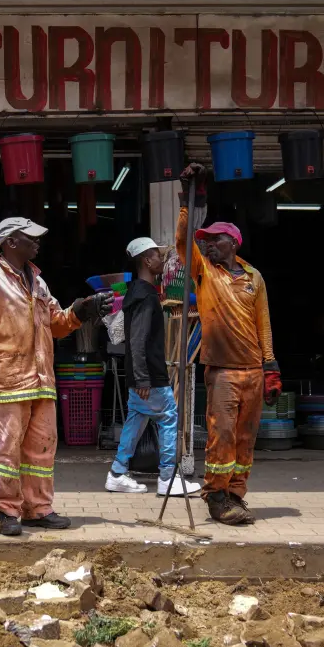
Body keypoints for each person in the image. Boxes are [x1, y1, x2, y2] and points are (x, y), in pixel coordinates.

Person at [0, 217, 111, 536]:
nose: (37, 242)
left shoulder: (39, 283)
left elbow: (56, 324)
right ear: (11, 242)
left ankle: (37, 509)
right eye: (31, 238)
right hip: (9, 380)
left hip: (42, 382)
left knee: (42, 450)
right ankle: (6, 511)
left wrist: (81, 310)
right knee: (8, 451)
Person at [175, 164, 281, 526]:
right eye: (205, 240)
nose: (207, 244)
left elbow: (264, 325)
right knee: (221, 435)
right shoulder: (205, 272)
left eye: (214, 239)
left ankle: (235, 494)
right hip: (221, 372)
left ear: (233, 243)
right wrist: (189, 200)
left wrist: (271, 367)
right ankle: (216, 497)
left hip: (253, 371)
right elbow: (182, 242)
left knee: (245, 438)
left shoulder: (254, 278)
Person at [104, 237, 201, 497]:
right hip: (149, 375)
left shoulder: (137, 292)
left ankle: (117, 473)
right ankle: (168, 478)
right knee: (169, 418)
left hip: (141, 374)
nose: (162, 259)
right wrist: (142, 378)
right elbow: (137, 340)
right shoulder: (145, 296)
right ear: (147, 261)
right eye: (158, 255)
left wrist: (137, 377)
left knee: (136, 419)